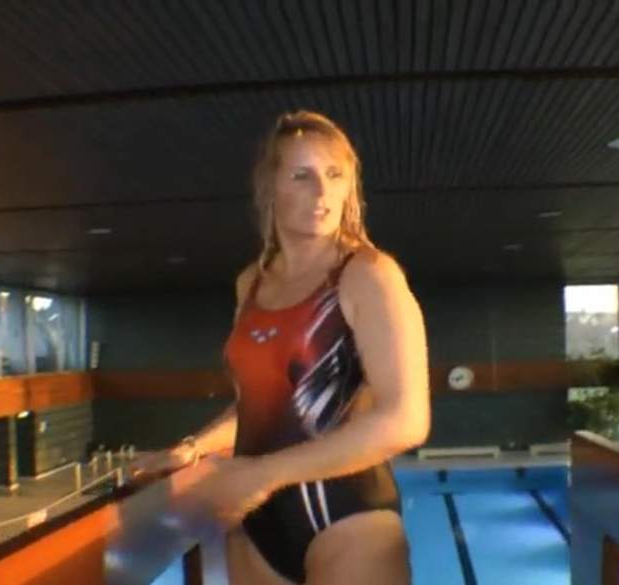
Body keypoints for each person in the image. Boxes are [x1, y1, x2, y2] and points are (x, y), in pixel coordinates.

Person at [140, 110, 430, 585]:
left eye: (334, 175)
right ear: (270, 188)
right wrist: (192, 448)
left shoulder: (367, 275)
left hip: (347, 520)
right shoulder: (250, 284)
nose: (322, 192)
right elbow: (261, 404)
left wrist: (261, 475)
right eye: (302, 175)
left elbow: (406, 420)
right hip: (258, 525)